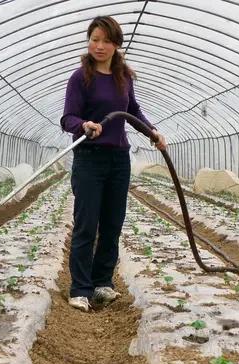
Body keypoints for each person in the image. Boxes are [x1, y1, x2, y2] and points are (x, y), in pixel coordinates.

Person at [60, 16, 167, 312]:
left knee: (112, 224)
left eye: (106, 41)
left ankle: (102, 283)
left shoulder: (123, 77)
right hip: (90, 159)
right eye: (95, 39)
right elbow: (67, 118)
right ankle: (80, 288)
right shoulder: (80, 77)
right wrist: (85, 125)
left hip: (119, 160)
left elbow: (132, 110)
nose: (100, 46)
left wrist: (152, 132)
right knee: (86, 225)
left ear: (116, 44)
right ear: (88, 41)